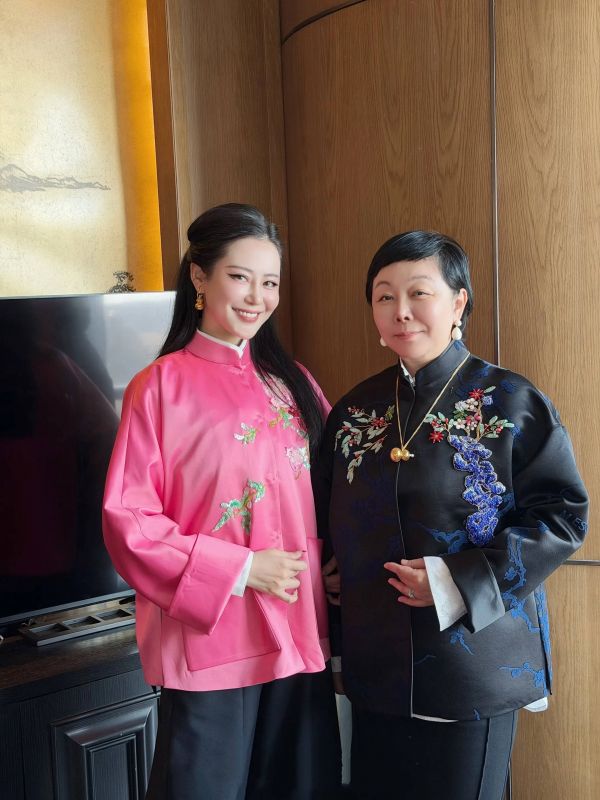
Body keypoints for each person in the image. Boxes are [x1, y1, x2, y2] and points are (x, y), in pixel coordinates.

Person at [313, 230, 588, 800]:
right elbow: (324, 519)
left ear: (458, 302)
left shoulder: (510, 402)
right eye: (384, 296)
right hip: (375, 668)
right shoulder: (354, 412)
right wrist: (326, 578)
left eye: (419, 292)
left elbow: (562, 516)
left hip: (472, 664)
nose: (401, 310)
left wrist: (453, 581)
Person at [103, 203, 341, 800]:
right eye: (240, 277)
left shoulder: (294, 383)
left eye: (270, 282)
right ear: (199, 277)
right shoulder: (159, 387)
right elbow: (129, 520)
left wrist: (340, 561)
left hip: (298, 624)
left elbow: (337, 490)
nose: (257, 297)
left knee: (299, 786)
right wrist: (241, 568)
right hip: (211, 635)